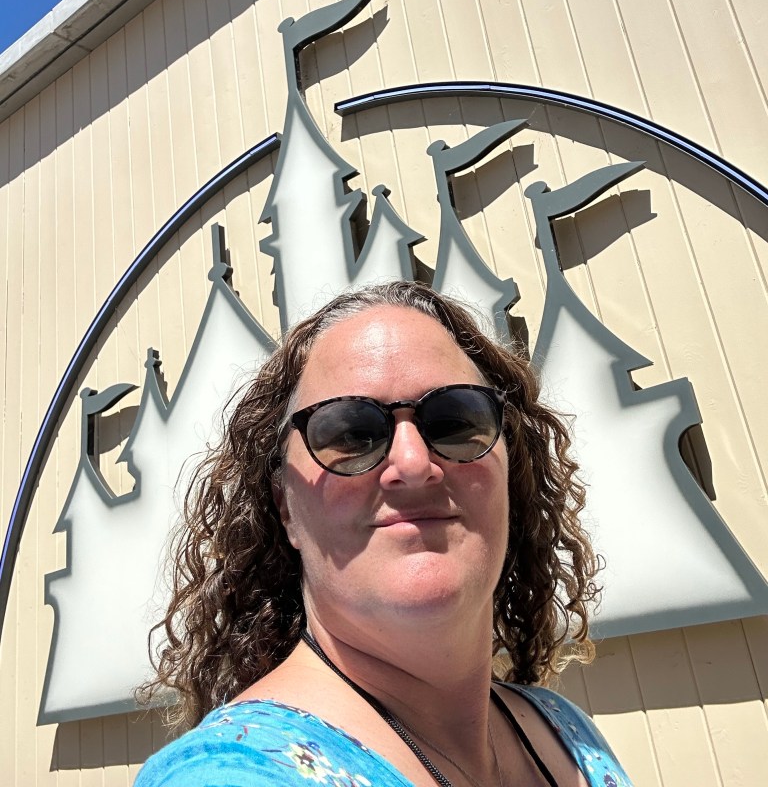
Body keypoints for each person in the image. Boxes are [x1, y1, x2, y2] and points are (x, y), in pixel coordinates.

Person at [136, 281, 632, 786]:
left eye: (455, 420)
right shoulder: (228, 775)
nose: (413, 464)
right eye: (351, 433)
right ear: (285, 506)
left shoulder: (569, 737)